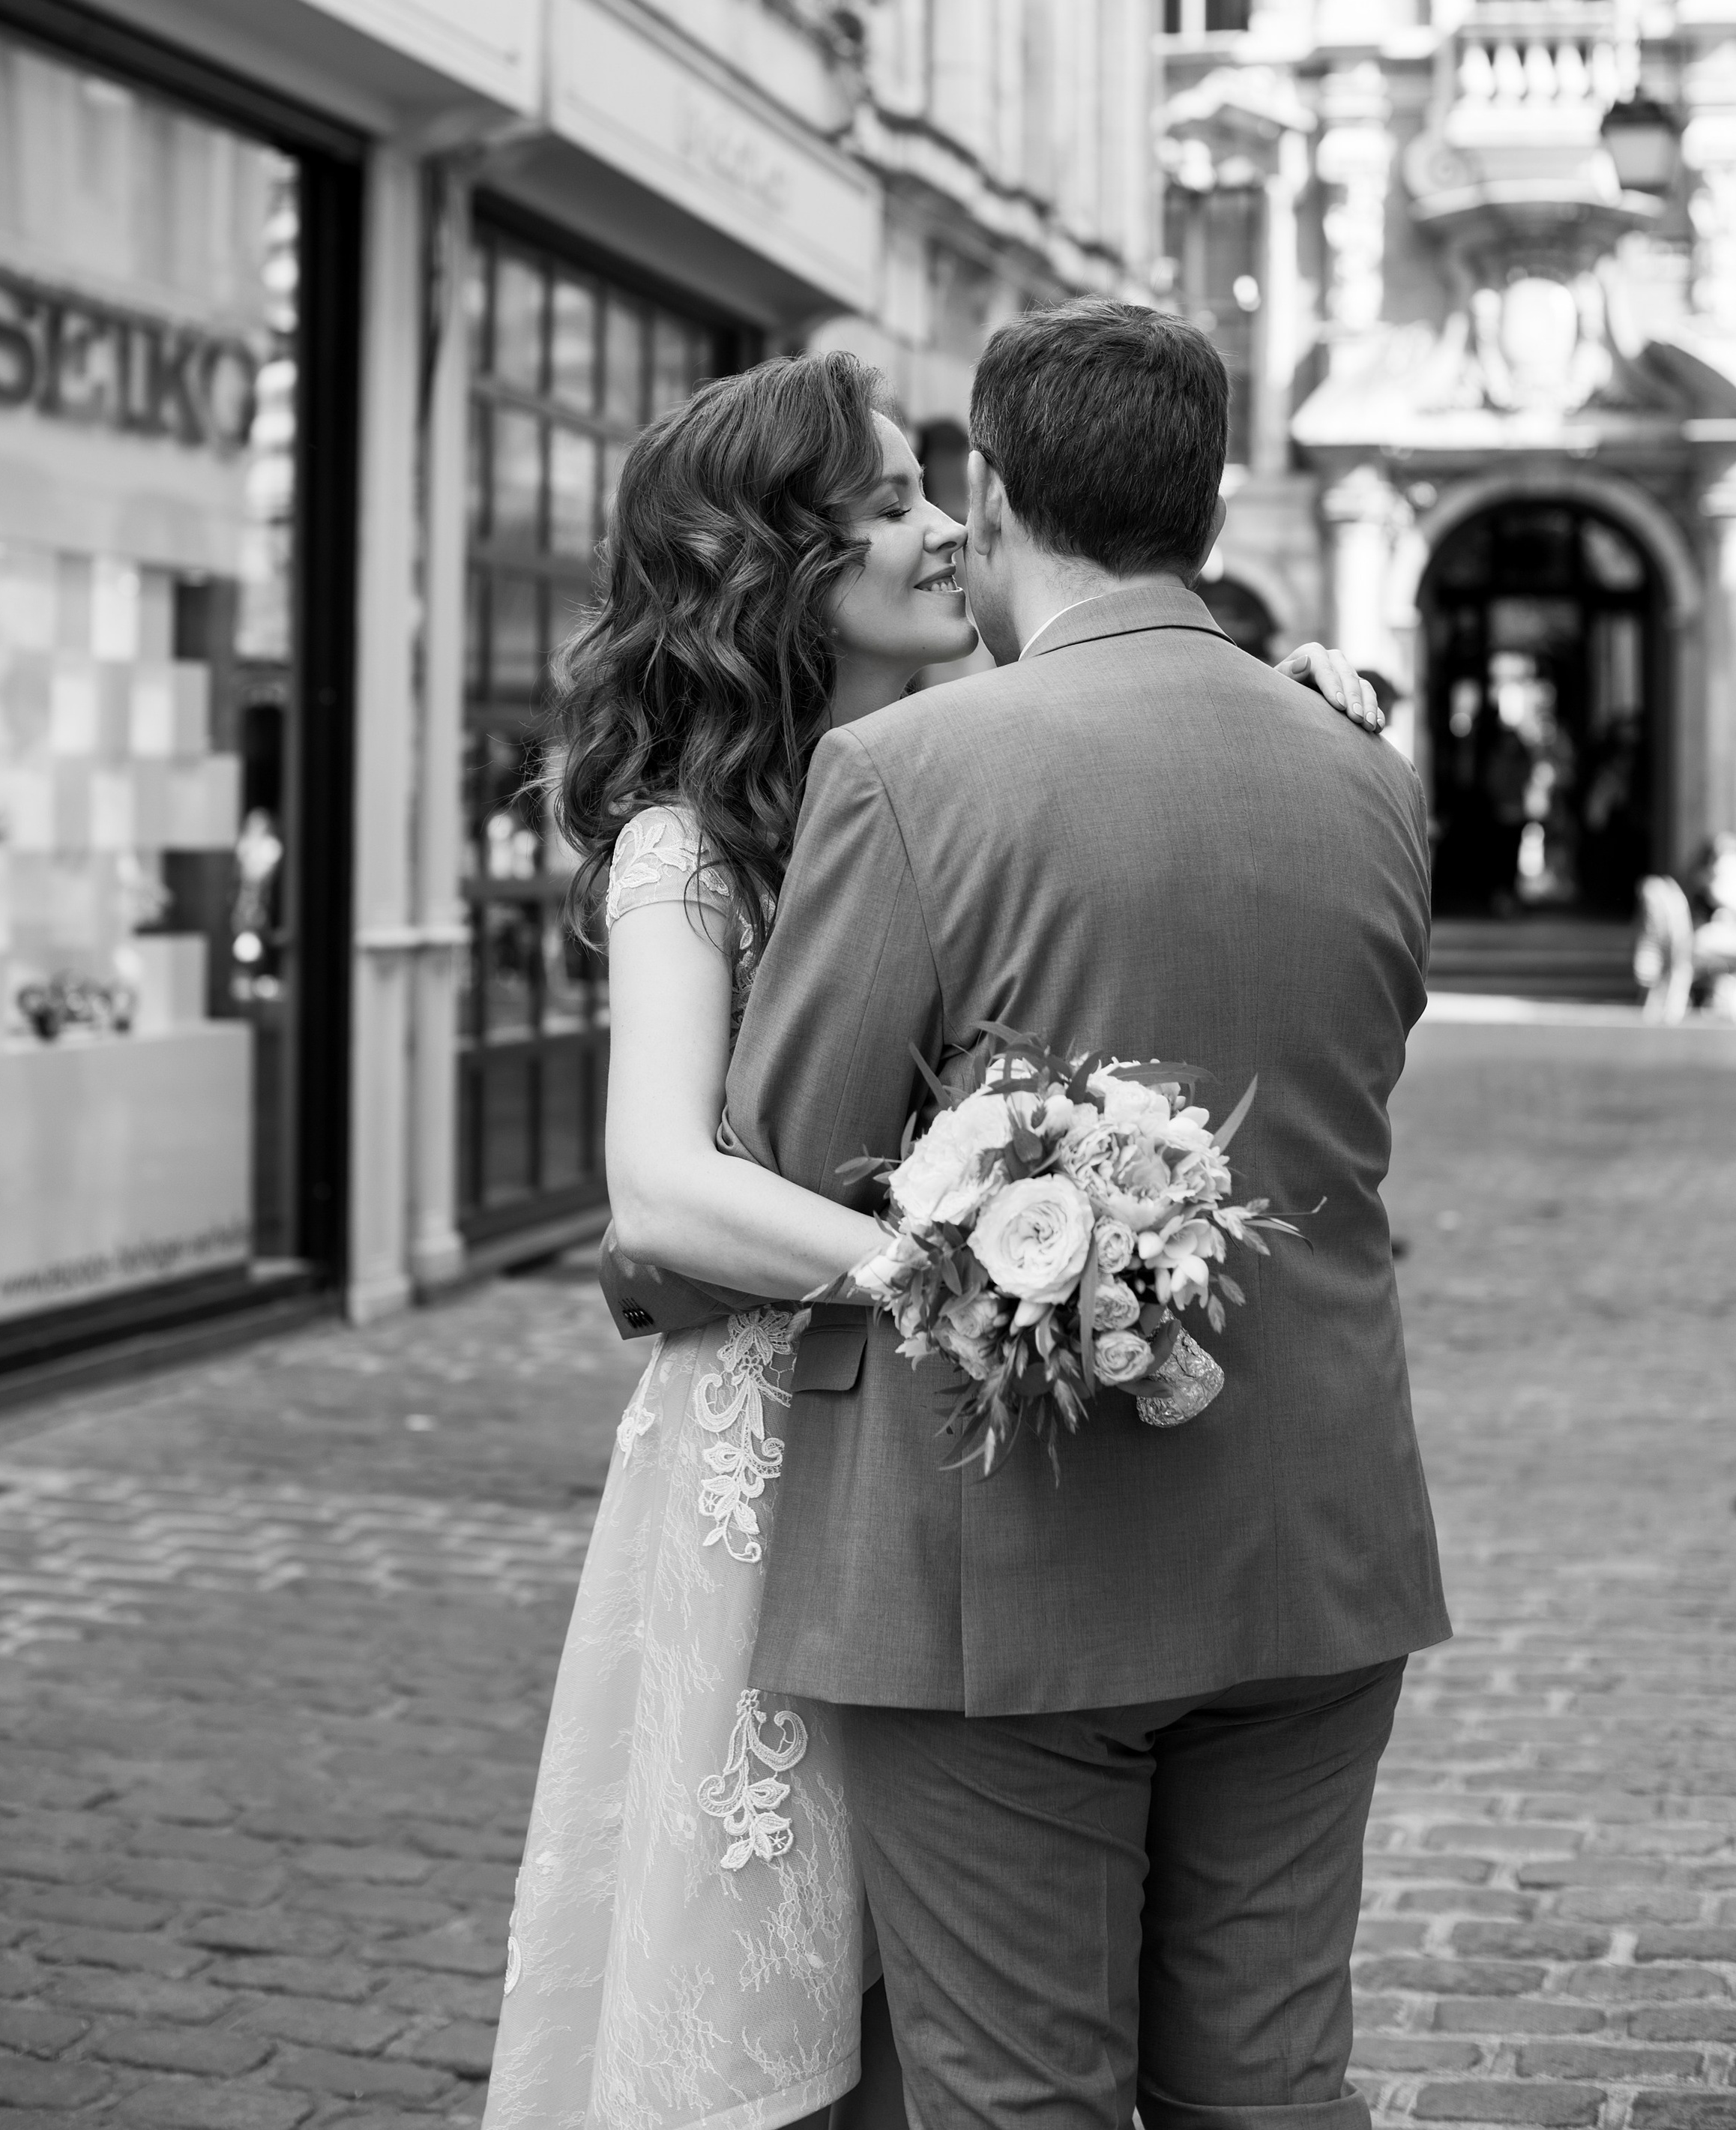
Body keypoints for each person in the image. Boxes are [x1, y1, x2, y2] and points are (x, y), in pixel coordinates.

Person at [480, 346, 1388, 2130]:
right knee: (787, 1987)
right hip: (790, 1452)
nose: (940, 531)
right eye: (881, 503)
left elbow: (1127, 834)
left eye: (931, 491)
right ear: (770, 568)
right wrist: (947, 1255)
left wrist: (1274, 694)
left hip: (959, 1465)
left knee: (947, 2009)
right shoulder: (693, 841)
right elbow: (658, 1191)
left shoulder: (938, 767)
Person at [721, 302, 1449, 2130]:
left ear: (992, 487)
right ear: (1206, 500)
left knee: (1014, 2096)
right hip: (1311, 1536)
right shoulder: (1366, 775)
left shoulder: (911, 770)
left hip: (1005, 1565)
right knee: (1272, 2087)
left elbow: (783, 1155)